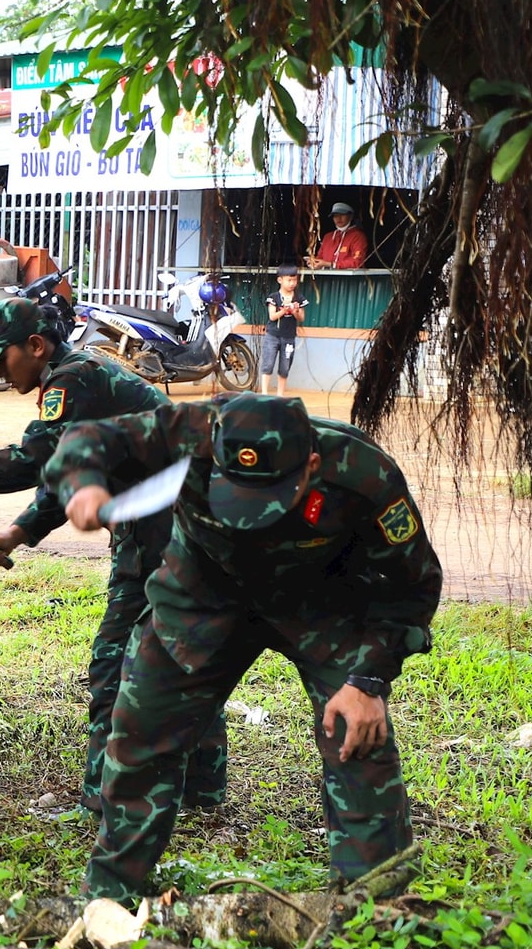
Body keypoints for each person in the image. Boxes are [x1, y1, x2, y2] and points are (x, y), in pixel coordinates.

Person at [46, 394, 441, 903]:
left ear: (312, 465)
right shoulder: (188, 429)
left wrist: (369, 679)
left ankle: (376, 901)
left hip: (322, 602)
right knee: (143, 726)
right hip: (204, 591)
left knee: (357, 735)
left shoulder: (361, 472)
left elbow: (414, 585)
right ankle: (109, 895)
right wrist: (84, 485)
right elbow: (85, 440)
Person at [0, 298, 226, 811]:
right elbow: (67, 472)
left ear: (35, 346)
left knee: (114, 664)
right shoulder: (84, 374)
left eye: (2, 359)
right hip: (185, 523)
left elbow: (40, 457)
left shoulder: (73, 379)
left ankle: (106, 799)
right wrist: (19, 532)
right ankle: (202, 791)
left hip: (165, 530)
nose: (0, 374)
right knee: (185, 654)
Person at [260, 263, 310, 396]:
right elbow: (272, 316)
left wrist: (295, 311)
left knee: (285, 366)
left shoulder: (299, 298)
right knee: (268, 364)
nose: (292, 283)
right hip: (272, 335)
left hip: (289, 336)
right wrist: (284, 310)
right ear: (280, 280)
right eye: (289, 280)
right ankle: (264, 393)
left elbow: (301, 318)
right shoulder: (273, 297)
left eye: (295, 280)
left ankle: (280, 394)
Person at [308, 201, 369, 269]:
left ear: (351, 216)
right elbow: (320, 257)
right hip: (326, 277)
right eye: (335, 216)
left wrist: (331, 264)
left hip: (347, 278)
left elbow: (357, 261)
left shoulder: (358, 236)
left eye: (342, 215)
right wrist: (314, 262)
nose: (338, 218)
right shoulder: (328, 237)